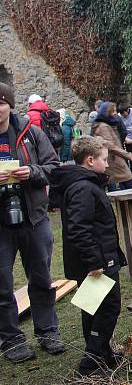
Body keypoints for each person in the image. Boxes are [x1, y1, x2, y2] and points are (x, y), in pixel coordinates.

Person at [48, 136, 126, 374]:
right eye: (104, 159)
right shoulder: (83, 188)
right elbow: (79, 228)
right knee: (108, 307)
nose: (107, 163)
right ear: (90, 160)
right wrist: (94, 261)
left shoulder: (85, 183)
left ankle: (103, 354)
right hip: (97, 261)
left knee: (92, 306)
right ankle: (90, 361)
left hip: (97, 256)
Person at [0, 82, 65, 363]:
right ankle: (11, 340)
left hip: (34, 218)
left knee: (41, 279)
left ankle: (48, 332)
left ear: (9, 105)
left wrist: (33, 171)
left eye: (1, 102)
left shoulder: (31, 132)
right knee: (2, 285)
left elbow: (54, 168)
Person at [90, 102, 132, 219]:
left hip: (115, 160)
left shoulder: (106, 124)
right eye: (112, 112)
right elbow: (110, 145)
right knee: (127, 182)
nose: (115, 114)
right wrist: (129, 156)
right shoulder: (103, 127)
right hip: (113, 161)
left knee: (125, 185)